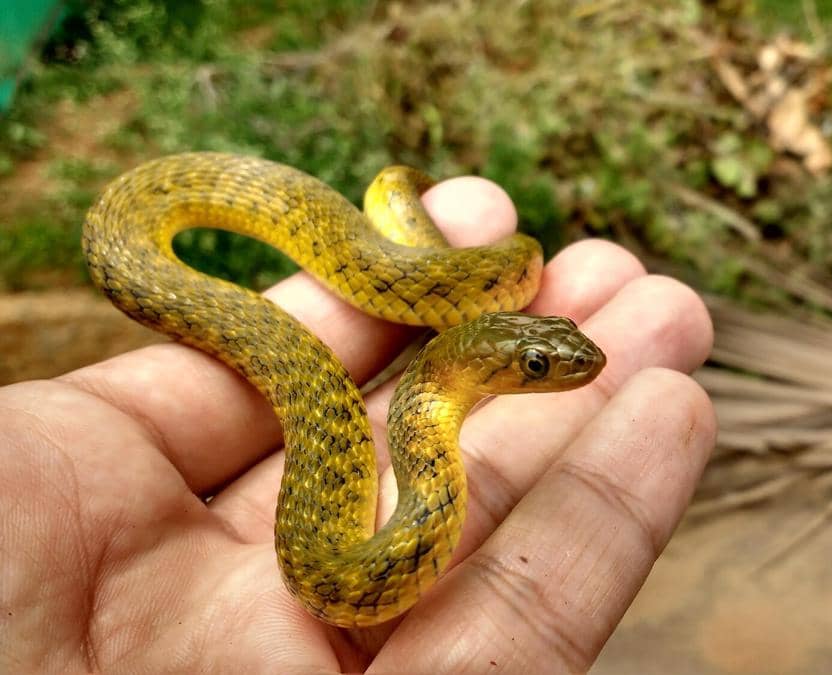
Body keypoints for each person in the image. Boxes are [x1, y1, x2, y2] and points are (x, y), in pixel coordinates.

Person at [0, 176, 716, 672]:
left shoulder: (426, 413)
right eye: (534, 363)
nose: (564, 367)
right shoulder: (419, 447)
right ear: (478, 367)